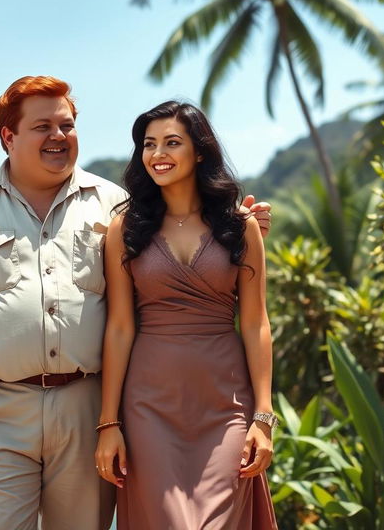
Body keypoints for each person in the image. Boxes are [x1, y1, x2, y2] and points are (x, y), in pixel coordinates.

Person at [0, 76, 272, 530]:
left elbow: (176, 265)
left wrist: (242, 228)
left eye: (67, 125)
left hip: (88, 405)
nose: (59, 137)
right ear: (8, 136)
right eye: (43, 127)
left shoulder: (117, 206)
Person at [95, 101, 278, 529]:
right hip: (148, 408)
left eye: (171, 143)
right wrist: (109, 423)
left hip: (225, 406)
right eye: (149, 144)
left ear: (199, 152)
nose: (157, 153)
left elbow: (255, 324)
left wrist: (264, 417)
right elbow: (120, 328)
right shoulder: (126, 227)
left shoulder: (240, 226)